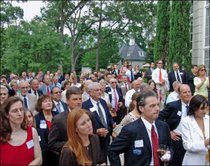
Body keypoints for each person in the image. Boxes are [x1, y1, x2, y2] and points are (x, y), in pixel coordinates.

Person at [108, 90, 171, 166]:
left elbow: (169, 147)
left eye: (158, 104)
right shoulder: (130, 129)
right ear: (141, 108)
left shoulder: (163, 126)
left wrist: (167, 155)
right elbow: (112, 150)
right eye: (152, 106)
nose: (157, 108)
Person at [0, 96, 42, 165]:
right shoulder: (1, 135)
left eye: (21, 109)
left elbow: (39, 159)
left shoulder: (32, 131)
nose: (20, 114)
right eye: (15, 111)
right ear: (7, 115)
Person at [158, 84, 192, 166]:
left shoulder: (194, 106)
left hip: (190, 139)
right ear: (179, 95)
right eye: (184, 92)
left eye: (189, 92)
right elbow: (158, 118)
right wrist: (169, 132)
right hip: (176, 140)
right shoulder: (173, 106)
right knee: (175, 162)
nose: (187, 94)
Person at [48, 87, 83, 164]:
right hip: (69, 160)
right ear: (67, 101)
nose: (78, 102)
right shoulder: (58, 120)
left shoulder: (87, 115)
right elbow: (52, 144)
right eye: (75, 99)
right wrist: (71, 144)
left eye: (80, 99)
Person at [82, 82, 115, 162]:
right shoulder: (85, 106)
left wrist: (113, 124)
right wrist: (96, 131)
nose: (100, 92)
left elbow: (108, 116)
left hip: (106, 137)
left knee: (104, 159)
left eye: (100, 90)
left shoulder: (103, 102)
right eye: (97, 90)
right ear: (90, 92)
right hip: (94, 139)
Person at [180, 95, 209, 165]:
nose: (205, 111)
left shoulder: (208, 119)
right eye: (202, 108)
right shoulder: (186, 121)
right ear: (194, 109)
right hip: (193, 161)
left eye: (206, 108)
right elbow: (187, 145)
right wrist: (205, 143)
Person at [35, 95, 58, 165]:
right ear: (40, 105)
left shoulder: (57, 115)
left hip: (58, 150)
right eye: (45, 101)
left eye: (50, 101)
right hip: (45, 153)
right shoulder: (37, 119)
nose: (48, 103)